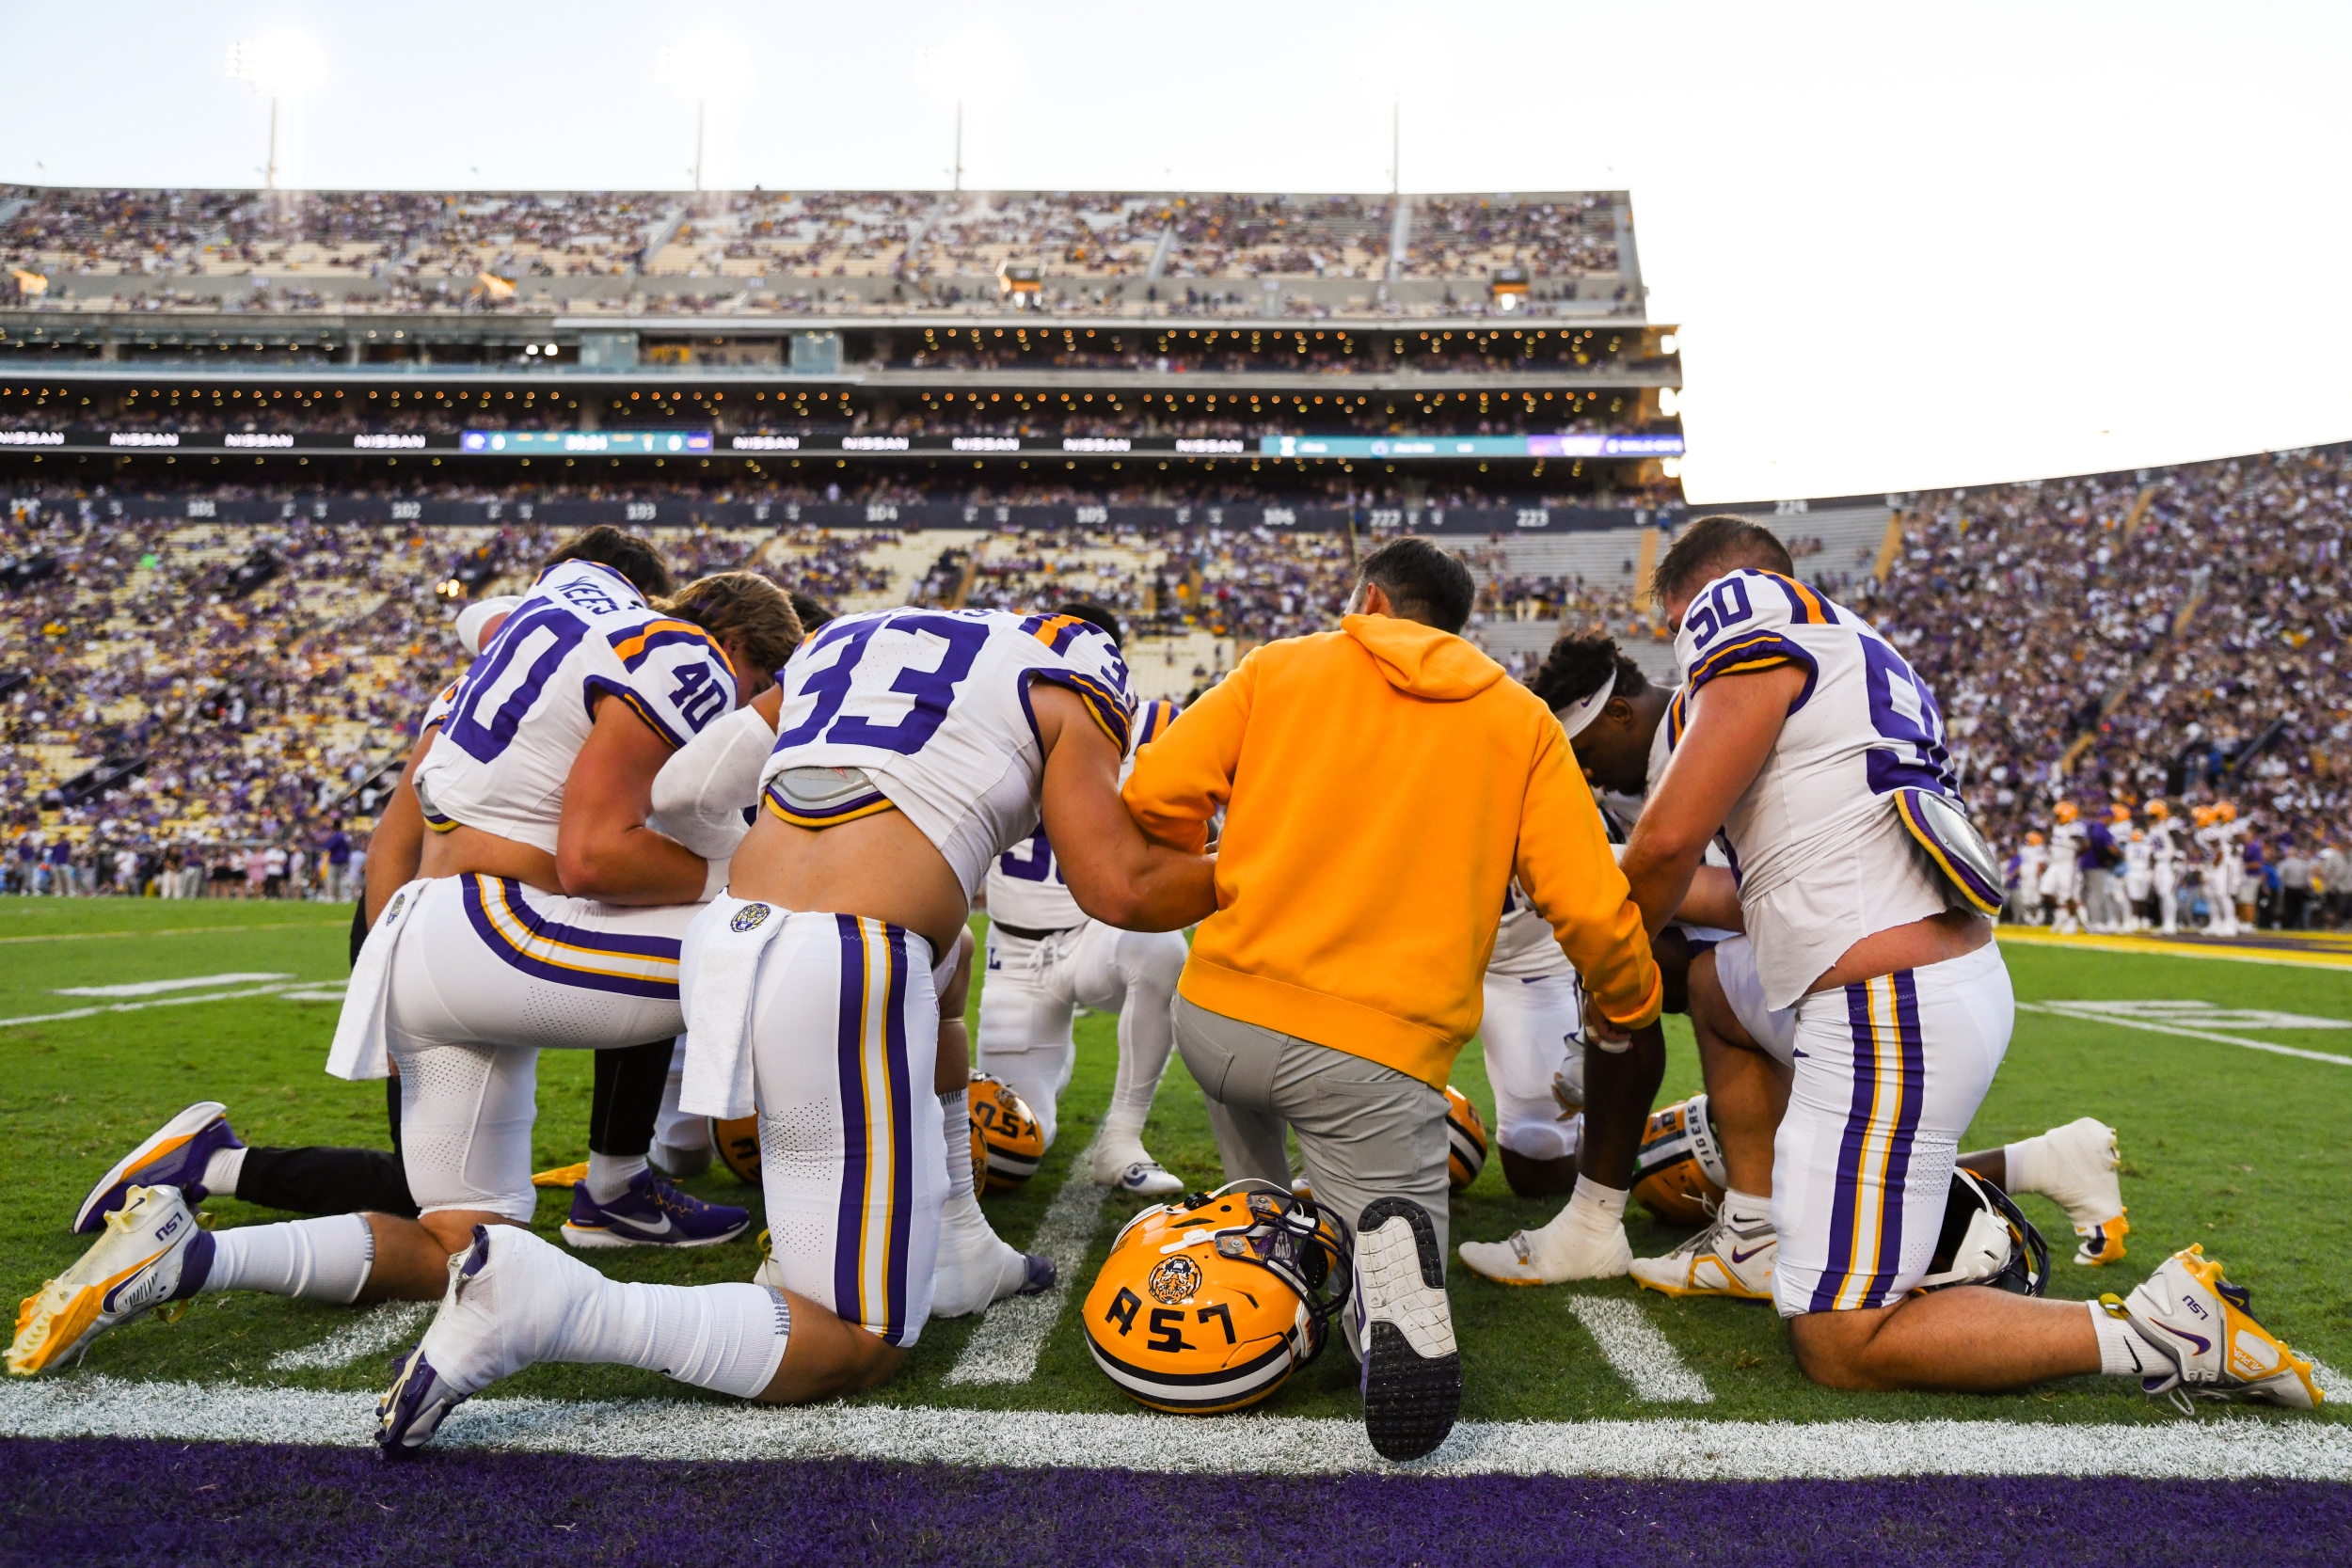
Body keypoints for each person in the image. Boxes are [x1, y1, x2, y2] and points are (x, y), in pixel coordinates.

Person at [370, 603, 1215, 1449]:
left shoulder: (839, 641)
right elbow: (1122, 888)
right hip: (843, 962)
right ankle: (557, 1302)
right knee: (856, 1343)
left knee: (949, 954)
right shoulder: (1066, 672)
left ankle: (960, 1241)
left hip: (730, 943)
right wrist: (1267, 866)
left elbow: (687, 788)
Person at [10, 535, 797, 1379]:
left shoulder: (528, 649)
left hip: (428, 934)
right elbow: (597, 859)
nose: (737, 716)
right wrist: (755, 870)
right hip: (497, 929)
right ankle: (811, 1249)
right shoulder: (681, 651)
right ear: (739, 649)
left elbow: (431, 818)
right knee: (803, 955)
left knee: (461, 1243)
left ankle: (184, 1257)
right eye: (753, 693)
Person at [1614, 514, 2318, 1407]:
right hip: (1922, 979)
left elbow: (1669, 844)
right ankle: (1753, 1232)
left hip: (1885, 1005)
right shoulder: (1860, 652)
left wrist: (1607, 966)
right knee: (1715, 984)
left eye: (1676, 620)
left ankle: (2157, 1330)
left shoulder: (1739, 603)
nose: (1681, 648)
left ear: (1702, 591)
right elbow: (1748, 889)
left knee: (1841, 1338)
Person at [1120, 539, 1661, 1461]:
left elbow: (1154, 794)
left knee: (1252, 1114)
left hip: (1219, 1015)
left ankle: (1260, 1221)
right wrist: (1629, 1002)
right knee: (1389, 1226)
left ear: (1369, 597)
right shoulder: (1518, 718)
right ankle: (1383, 1306)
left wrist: (1235, 870)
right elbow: (1587, 904)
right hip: (1372, 1054)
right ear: (1457, 622)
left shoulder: (1277, 667)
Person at [977, 608, 1188, 1198]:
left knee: (1161, 949)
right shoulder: (996, 723)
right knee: (1012, 1146)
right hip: (1014, 959)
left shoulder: (1158, 726)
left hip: (1099, 936)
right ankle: (1052, 1061)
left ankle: (1122, 1137)